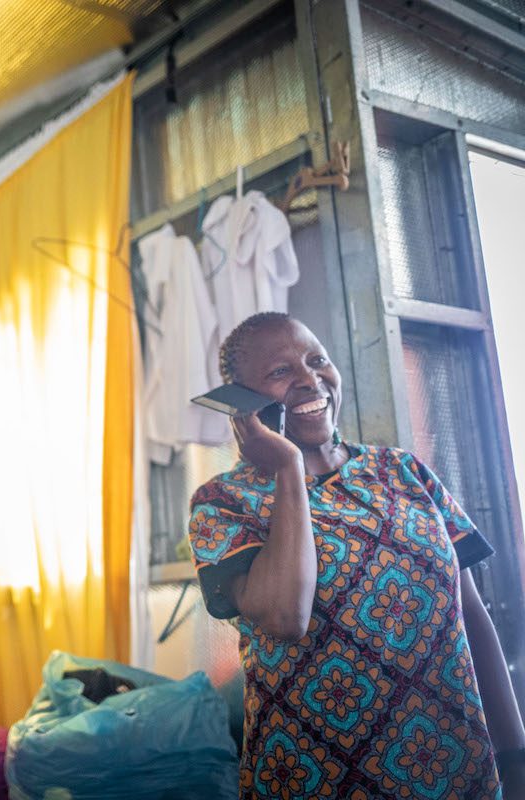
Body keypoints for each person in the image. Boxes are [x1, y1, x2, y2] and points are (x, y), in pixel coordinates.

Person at [187, 312, 525, 799]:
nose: (309, 378)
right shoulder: (224, 502)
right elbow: (286, 616)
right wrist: (287, 468)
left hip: (454, 767)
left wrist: (515, 757)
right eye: (280, 372)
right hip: (317, 778)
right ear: (243, 403)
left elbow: (469, 614)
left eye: (317, 359)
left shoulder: (405, 472)